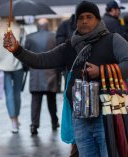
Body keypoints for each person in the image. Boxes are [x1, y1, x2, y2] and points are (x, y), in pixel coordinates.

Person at [3, 0, 128, 157]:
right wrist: (17, 50)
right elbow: (40, 60)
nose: (85, 20)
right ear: (76, 22)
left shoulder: (113, 40)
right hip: (80, 116)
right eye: (81, 17)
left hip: (107, 116)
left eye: (89, 16)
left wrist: (101, 71)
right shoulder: (69, 46)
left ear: (98, 19)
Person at [25, 18, 59, 135]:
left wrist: (27, 68)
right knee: (52, 101)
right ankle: (54, 122)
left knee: (35, 101)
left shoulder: (29, 37)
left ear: (38, 26)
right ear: (47, 25)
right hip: (51, 73)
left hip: (36, 74)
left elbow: (25, 56)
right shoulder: (54, 36)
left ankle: (34, 125)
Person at [0, 17, 24, 133]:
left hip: (2, 67)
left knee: (9, 93)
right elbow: (23, 47)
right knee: (17, 93)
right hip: (18, 65)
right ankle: (17, 117)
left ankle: (13, 121)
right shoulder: (19, 29)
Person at [55, 13, 79, 156]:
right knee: (71, 103)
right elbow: (60, 44)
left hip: (76, 71)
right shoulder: (65, 26)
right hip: (69, 69)